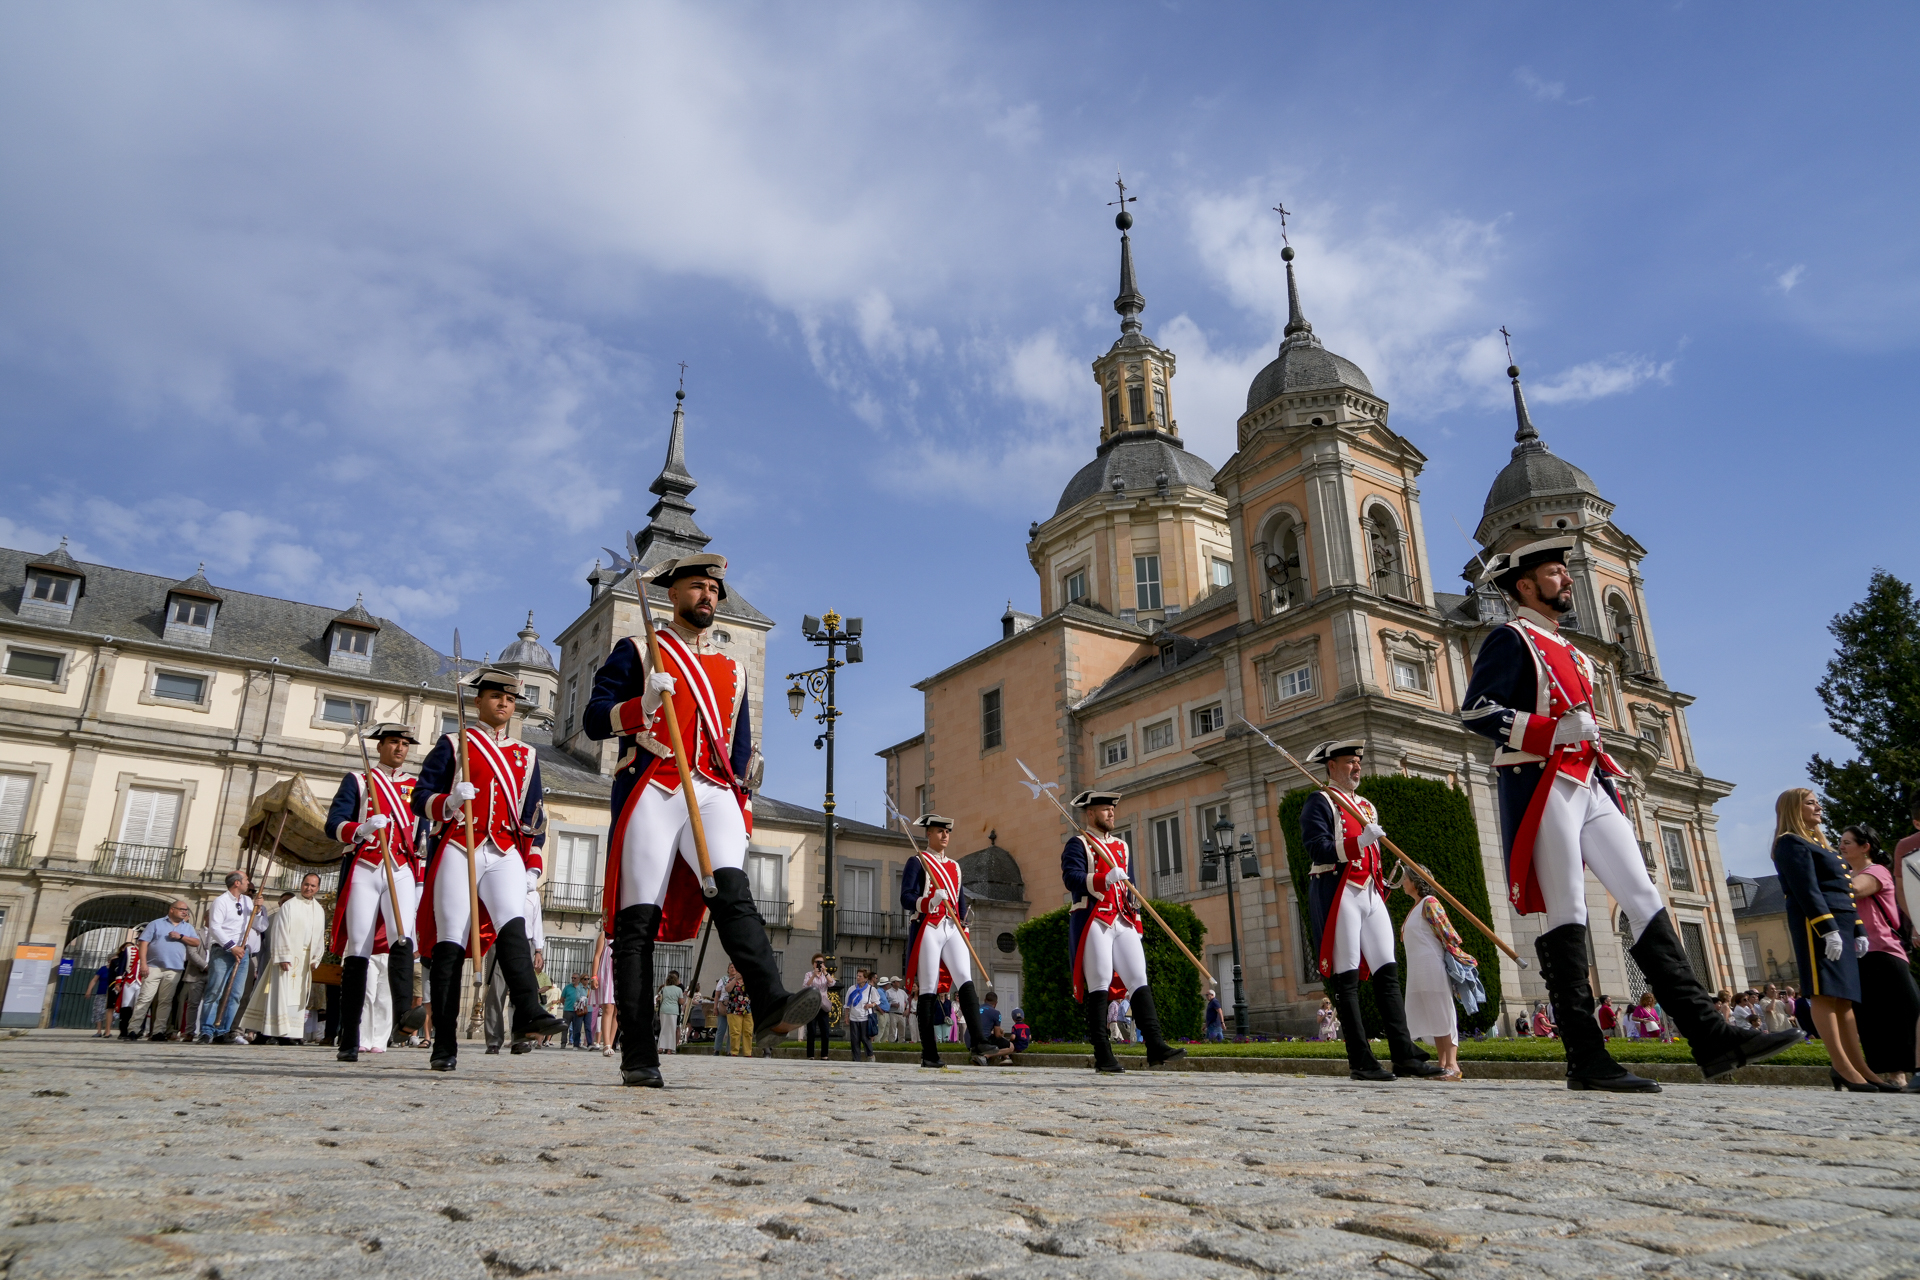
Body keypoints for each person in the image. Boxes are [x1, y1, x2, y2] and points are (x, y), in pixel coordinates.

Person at [1462, 536, 1799, 1090]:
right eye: (1555, 573)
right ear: (1525, 586)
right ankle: (1586, 1058)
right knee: (1569, 910)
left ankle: (1710, 1037)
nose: (1568, 580)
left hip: (1590, 781)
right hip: (1543, 782)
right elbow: (1477, 711)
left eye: (1566, 573)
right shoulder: (1509, 638)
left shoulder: (1571, 650)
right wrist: (1550, 730)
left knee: (1644, 897)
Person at [584, 552, 819, 1088]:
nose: (708, 596)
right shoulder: (640, 650)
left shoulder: (733, 669)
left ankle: (771, 1002)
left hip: (712, 791)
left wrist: (747, 777)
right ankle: (639, 1054)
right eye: (698, 586)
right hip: (655, 785)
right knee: (636, 925)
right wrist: (639, 704)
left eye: (715, 589)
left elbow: (736, 746)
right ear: (673, 594)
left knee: (734, 894)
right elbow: (593, 719)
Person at [413, 665, 565, 1071]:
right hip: (459, 845)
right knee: (449, 943)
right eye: (496, 696)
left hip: (504, 849)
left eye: (510, 698)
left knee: (513, 926)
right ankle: (443, 1041)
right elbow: (419, 797)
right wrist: (447, 801)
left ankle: (530, 1012)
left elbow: (534, 816)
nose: (504, 703)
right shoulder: (454, 743)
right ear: (479, 701)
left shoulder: (526, 755)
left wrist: (533, 864)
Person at [1300, 739, 1441, 1081]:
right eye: (1350, 762)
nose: (1356, 767)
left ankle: (1403, 1054)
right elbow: (1317, 849)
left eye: (1358, 762)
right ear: (1331, 766)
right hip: (1340, 891)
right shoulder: (1320, 801)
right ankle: (1360, 1059)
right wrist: (1358, 843)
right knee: (1346, 980)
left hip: (1370, 892)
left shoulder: (1366, 805)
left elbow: (1373, 855)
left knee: (1388, 974)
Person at [1771, 789, 1890, 1091]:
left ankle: (1859, 1067)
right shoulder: (1790, 842)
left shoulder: (1820, 845)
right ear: (1794, 809)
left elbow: (1844, 891)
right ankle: (1842, 1066)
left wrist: (1858, 929)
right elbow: (1807, 890)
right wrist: (1827, 928)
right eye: (1810, 802)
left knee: (1844, 998)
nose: (1818, 806)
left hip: (1842, 923)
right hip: (1817, 925)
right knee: (1824, 994)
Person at [1062, 788, 1185, 1074]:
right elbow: (1072, 879)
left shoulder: (1121, 846)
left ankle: (1155, 1045)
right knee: (1101, 980)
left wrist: (1137, 917)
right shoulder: (1078, 843)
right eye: (1106, 809)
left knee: (1138, 977)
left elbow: (1130, 888)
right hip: (1094, 917)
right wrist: (1104, 878)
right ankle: (1102, 1054)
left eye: (1112, 809)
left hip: (1123, 917)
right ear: (1091, 813)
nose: (1111, 813)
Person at [325, 721, 428, 1062]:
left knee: (402, 937)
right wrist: (360, 828)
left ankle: (402, 1016)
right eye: (395, 743)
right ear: (380, 746)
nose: (400, 749)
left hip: (400, 867)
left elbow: (423, 834)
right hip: (366, 867)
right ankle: (349, 1037)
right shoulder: (359, 780)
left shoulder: (416, 786)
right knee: (359, 947)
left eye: (405, 744)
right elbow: (333, 824)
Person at [902, 815, 992, 1067]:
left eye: (947, 832)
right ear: (928, 834)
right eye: (939, 831)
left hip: (952, 926)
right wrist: (927, 902)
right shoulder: (918, 861)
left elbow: (960, 901)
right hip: (928, 925)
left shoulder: (955, 866)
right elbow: (905, 897)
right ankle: (929, 1052)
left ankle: (979, 1041)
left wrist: (963, 924)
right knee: (929, 987)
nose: (944, 835)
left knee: (965, 979)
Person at [1840, 823, 1920, 1090]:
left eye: (1847, 842)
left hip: (1884, 951)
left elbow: (1855, 890)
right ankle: (1884, 1072)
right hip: (1857, 954)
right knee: (1870, 1018)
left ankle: (1902, 1072)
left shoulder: (1877, 871)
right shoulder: (1844, 873)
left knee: (1903, 1012)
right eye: (1840, 841)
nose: (1841, 846)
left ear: (1866, 847)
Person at [1399, 869, 1480, 1081]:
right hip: (1417, 968)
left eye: (1406, 878)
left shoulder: (1430, 902)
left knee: (1442, 1010)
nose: (1403, 881)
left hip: (1432, 965)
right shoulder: (1416, 907)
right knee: (1432, 1012)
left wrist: (1458, 960)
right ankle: (1442, 1064)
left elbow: (1448, 933)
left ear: (1416, 882)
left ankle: (1453, 1064)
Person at [241, 873, 328, 1045]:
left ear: (317, 888)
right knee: (280, 994)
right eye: (306, 884)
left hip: (305, 959)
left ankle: (291, 1033)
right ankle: (273, 1031)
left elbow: (319, 936)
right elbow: (279, 931)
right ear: (301, 884)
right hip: (287, 957)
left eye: (313, 886)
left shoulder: (318, 909)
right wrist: (282, 956)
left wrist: (316, 958)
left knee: (298, 998)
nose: (308, 888)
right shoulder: (289, 905)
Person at [199, 871, 268, 1043]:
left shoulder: (246, 901)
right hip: (223, 951)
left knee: (236, 993)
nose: (248, 883)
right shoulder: (220, 901)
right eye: (246, 880)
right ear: (237, 883)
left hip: (243, 951)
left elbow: (259, 925)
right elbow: (215, 927)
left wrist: (258, 910)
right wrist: (232, 947)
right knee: (215, 990)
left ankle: (223, 1030)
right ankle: (207, 1030)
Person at [482, 880, 547, 1055]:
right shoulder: (501, 886)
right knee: (496, 991)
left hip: (524, 943)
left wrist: (538, 949)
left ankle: (520, 1038)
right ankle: (493, 1040)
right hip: (499, 940)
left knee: (523, 991)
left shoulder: (532, 895)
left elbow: (536, 922)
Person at [129, 900, 198, 1041]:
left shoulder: (188, 928)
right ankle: (133, 1029)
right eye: (182, 909)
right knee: (145, 998)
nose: (185, 912)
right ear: (172, 910)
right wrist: (143, 963)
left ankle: (158, 1031)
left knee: (165, 1001)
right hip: (153, 966)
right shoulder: (155, 924)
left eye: (186, 910)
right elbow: (144, 943)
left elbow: (196, 942)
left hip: (175, 969)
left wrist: (181, 937)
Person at [801, 954, 835, 1060]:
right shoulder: (808, 974)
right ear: (813, 964)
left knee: (825, 1030)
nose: (819, 964)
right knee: (811, 1030)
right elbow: (805, 986)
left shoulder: (826, 975)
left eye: (821, 962)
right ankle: (810, 1055)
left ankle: (824, 1054)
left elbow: (832, 983)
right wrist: (813, 976)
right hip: (812, 1005)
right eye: (817, 962)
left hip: (823, 1005)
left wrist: (825, 972)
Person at [591, 930, 617, 1058]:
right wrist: (594, 976)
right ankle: (606, 1044)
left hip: (620, 972)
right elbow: (597, 955)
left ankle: (610, 1044)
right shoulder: (605, 934)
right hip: (607, 973)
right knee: (608, 1008)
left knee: (617, 1011)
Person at [843, 968, 877, 1062]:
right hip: (854, 1017)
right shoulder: (851, 989)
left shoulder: (871, 989)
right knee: (854, 1040)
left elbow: (877, 1001)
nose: (858, 978)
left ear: (865, 979)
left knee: (865, 1038)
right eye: (857, 976)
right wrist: (846, 1016)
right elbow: (847, 1004)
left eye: (860, 976)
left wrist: (871, 1005)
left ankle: (870, 1055)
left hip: (865, 1018)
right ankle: (856, 1058)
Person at [656, 970, 684, 1056]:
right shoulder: (679, 989)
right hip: (673, 1010)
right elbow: (681, 1002)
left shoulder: (664, 989)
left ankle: (660, 1047)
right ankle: (669, 1049)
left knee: (663, 1029)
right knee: (672, 1030)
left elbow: (659, 998)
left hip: (664, 1010)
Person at [86, 958, 113, 1037]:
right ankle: (99, 1031)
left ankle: (107, 1030)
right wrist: (89, 990)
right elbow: (94, 980)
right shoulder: (103, 969)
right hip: (101, 993)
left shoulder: (117, 969)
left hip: (111, 993)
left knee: (111, 1012)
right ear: (108, 960)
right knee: (98, 1011)